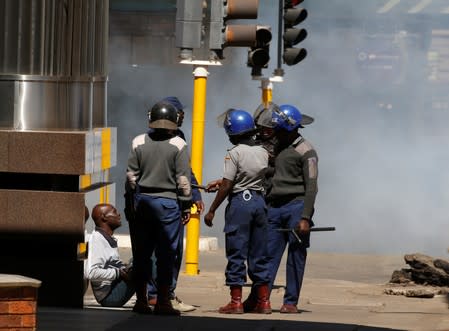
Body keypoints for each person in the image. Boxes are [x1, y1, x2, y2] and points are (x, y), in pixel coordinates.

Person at [126, 100, 192, 315]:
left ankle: (141, 301)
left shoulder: (138, 141)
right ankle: (163, 301)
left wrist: (132, 202)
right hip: (168, 205)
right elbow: (183, 180)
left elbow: (131, 177)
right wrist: (186, 206)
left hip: (142, 202)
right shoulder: (179, 145)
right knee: (166, 255)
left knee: (141, 254)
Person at [203, 108, 272, 314]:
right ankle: (264, 302)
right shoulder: (262, 151)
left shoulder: (234, 153)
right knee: (258, 253)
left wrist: (212, 210)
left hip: (241, 204)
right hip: (259, 203)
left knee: (236, 251)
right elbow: (250, 176)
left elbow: (228, 185)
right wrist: (222, 182)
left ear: (233, 132)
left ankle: (236, 302)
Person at [145, 96, 201, 312]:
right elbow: (182, 175)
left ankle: (162, 293)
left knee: (169, 251)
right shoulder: (151, 140)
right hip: (169, 203)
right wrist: (187, 203)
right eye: (180, 112)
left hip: (151, 202)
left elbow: (186, 171)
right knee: (165, 250)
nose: (183, 116)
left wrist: (195, 194)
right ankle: (157, 295)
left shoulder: (178, 137)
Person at [263, 104, 318, 314]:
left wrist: (305, 217)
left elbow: (312, 186)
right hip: (274, 208)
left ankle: (290, 302)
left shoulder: (307, 151)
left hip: (296, 207)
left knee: (296, 256)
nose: (275, 132)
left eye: (279, 129)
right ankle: (262, 299)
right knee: (268, 255)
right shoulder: (276, 147)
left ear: (291, 129)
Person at [85, 203, 135, 307]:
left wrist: (124, 268)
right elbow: (90, 272)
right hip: (109, 295)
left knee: (139, 258)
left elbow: (111, 264)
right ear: (104, 217)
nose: (119, 215)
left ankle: (148, 298)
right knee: (147, 257)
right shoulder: (97, 240)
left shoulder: (106, 238)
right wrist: (119, 273)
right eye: (114, 212)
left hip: (114, 287)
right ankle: (156, 297)